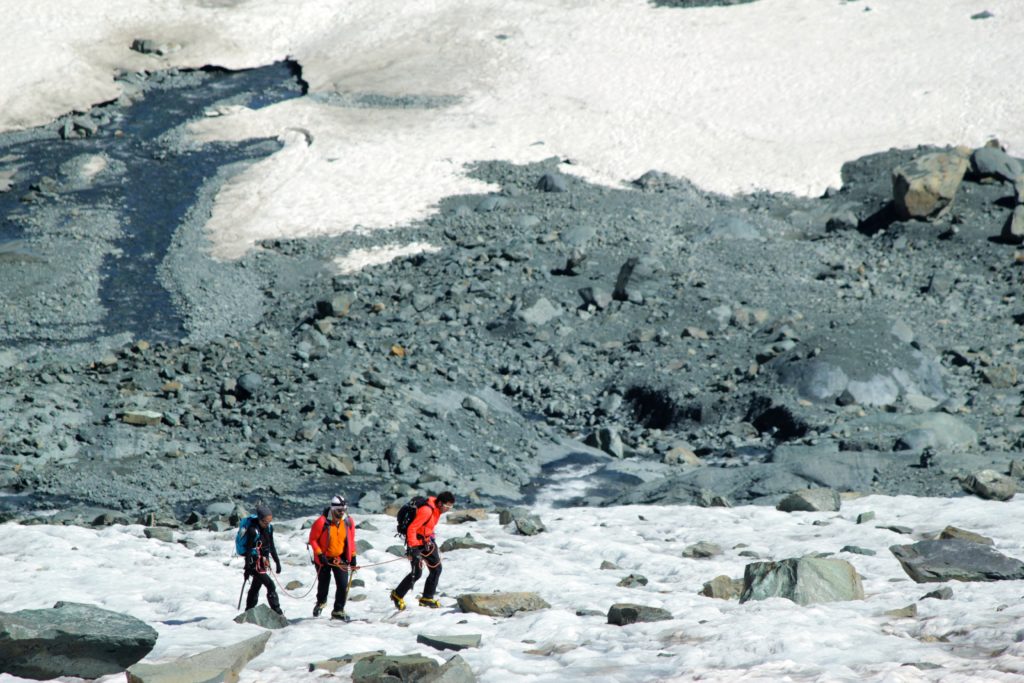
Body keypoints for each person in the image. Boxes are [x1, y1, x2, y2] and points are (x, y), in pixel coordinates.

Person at [390, 491, 455, 610]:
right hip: (416, 544)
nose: (448, 509)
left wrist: (431, 538)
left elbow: (427, 526)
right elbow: (412, 528)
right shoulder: (427, 510)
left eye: (451, 507)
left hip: (427, 541)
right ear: (440, 503)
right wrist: (413, 548)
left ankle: (427, 598)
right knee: (417, 573)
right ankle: (397, 595)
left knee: (436, 569)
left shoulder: (437, 509)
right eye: (447, 506)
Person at [308, 494, 357, 621]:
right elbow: (312, 540)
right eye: (339, 510)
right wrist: (319, 554)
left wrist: (353, 557)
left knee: (342, 584)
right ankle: (321, 602)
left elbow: (351, 540)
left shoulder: (348, 522)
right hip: (323, 558)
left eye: (344, 510)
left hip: (339, 557)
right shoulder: (321, 522)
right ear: (332, 509)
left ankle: (338, 610)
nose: (342, 513)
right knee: (324, 583)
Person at [242, 503, 283, 615]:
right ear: (259, 519)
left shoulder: (269, 528)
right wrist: (247, 568)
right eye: (265, 522)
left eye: (269, 522)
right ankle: (277, 612)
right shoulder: (252, 530)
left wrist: (277, 562)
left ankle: (248, 611)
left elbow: (271, 546)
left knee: (256, 586)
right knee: (270, 585)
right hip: (254, 564)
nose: (267, 524)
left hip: (263, 562)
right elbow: (249, 549)